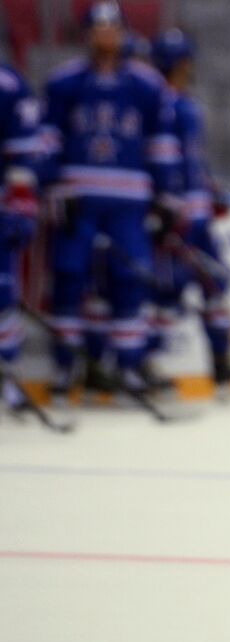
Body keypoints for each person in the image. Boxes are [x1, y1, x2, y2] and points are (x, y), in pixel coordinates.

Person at [40, 0, 180, 401]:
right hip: (79, 199)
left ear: (123, 33)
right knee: (68, 280)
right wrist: (54, 187)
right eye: (98, 29)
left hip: (129, 202)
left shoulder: (147, 85)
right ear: (87, 34)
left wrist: (166, 197)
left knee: (130, 281)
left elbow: (161, 144)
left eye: (112, 28)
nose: (106, 36)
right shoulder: (64, 82)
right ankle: (66, 369)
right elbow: (49, 140)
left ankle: (129, 369)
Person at [148, 28, 230, 393]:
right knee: (169, 291)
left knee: (215, 284)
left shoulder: (185, 103)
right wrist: (167, 207)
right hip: (179, 218)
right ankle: (147, 364)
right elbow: (162, 163)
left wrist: (209, 189)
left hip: (198, 217)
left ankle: (222, 362)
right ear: (183, 63)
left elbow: (191, 161)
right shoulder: (164, 105)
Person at [0, 59, 41, 414]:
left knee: (2, 297)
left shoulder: (9, 84)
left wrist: (22, 208)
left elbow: (22, 158)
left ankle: (9, 377)